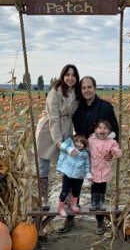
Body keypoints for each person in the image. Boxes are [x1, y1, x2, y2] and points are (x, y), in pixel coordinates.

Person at [58, 76, 119, 235]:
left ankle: (99, 220)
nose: (86, 90)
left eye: (89, 87)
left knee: (98, 183)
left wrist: (111, 152)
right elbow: (62, 115)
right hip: (80, 151)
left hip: (99, 153)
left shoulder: (105, 107)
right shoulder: (77, 107)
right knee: (72, 183)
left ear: (95, 87)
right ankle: (69, 217)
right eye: (83, 88)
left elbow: (115, 131)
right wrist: (47, 113)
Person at [35, 64, 81, 210]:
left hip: (66, 128)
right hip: (48, 130)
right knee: (44, 165)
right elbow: (54, 118)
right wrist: (58, 141)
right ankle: (44, 198)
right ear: (63, 76)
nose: (70, 78)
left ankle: (67, 196)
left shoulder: (76, 92)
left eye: (73, 75)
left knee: (68, 164)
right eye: (67, 74)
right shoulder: (55, 93)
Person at [88, 119, 122, 211]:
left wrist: (113, 152)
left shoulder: (112, 142)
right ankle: (94, 202)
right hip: (94, 167)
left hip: (105, 168)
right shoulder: (91, 141)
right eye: (100, 128)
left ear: (109, 131)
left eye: (105, 128)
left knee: (103, 185)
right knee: (94, 186)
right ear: (95, 130)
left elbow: (119, 153)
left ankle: (101, 202)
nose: (102, 130)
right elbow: (86, 151)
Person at [56, 134, 92, 217]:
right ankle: (61, 208)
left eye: (81, 143)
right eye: (77, 142)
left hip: (79, 177)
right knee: (64, 191)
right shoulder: (70, 150)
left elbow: (87, 166)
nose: (79, 144)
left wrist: (88, 174)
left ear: (85, 145)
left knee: (76, 192)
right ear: (73, 142)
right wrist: (70, 148)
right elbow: (63, 145)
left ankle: (73, 205)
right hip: (68, 176)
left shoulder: (85, 154)